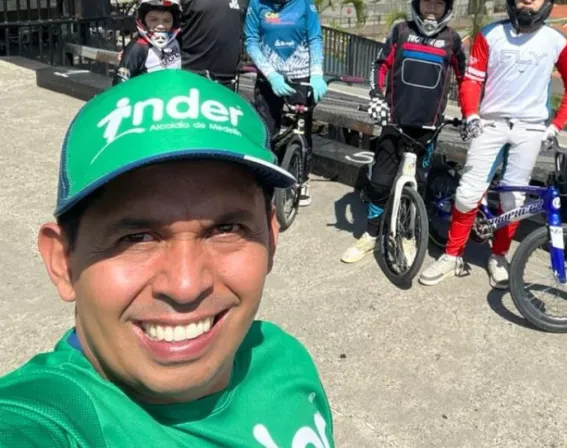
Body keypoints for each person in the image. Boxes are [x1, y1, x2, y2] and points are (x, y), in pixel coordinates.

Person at [0, 70, 335, 446]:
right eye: (136, 237)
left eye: (227, 229)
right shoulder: (49, 419)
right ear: (63, 262)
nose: (186, 285)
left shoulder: (284, 362)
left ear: (271, 240)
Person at [418, 0, 567, 289]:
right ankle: (452, 255)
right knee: (467, 194)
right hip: (490, 124)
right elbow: (471, 80)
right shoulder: (490, 34)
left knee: (513, 201)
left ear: (546, 2)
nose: (527, 1)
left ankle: (499, 255)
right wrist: (471, 115)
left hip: (531, 129)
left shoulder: (557, 41)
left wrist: (557, 124)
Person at [341, 0, 466, 263]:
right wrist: (375, 96)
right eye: (426, 1)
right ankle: (371, 234)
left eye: (438, 3)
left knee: (418, 185)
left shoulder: (452, 39)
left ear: (447, 7)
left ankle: (408, 235)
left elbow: (466, 78)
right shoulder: (401, 31)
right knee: (381, 183)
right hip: (393, 122)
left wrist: (472, 114)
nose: (432, 8)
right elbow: (380, 65)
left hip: (429, 129)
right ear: (416, 3)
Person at [244, 0, 327, 205]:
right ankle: (266, 178)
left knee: (303, 132)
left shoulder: (305, 2)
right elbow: (250, 41)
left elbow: (314, 37)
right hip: (271, 80)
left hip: (302, 77)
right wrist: (271, 75)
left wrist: (316, 74)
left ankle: (302, 180)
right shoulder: (257, 3)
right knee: (267, 131)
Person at [113, 0, 182, 85]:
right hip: (147, 98)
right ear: (142, 20)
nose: (161, 26)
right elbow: (119, 84)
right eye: (153, 20)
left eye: (167, 21)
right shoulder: (137, 47)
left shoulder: (178, 39)